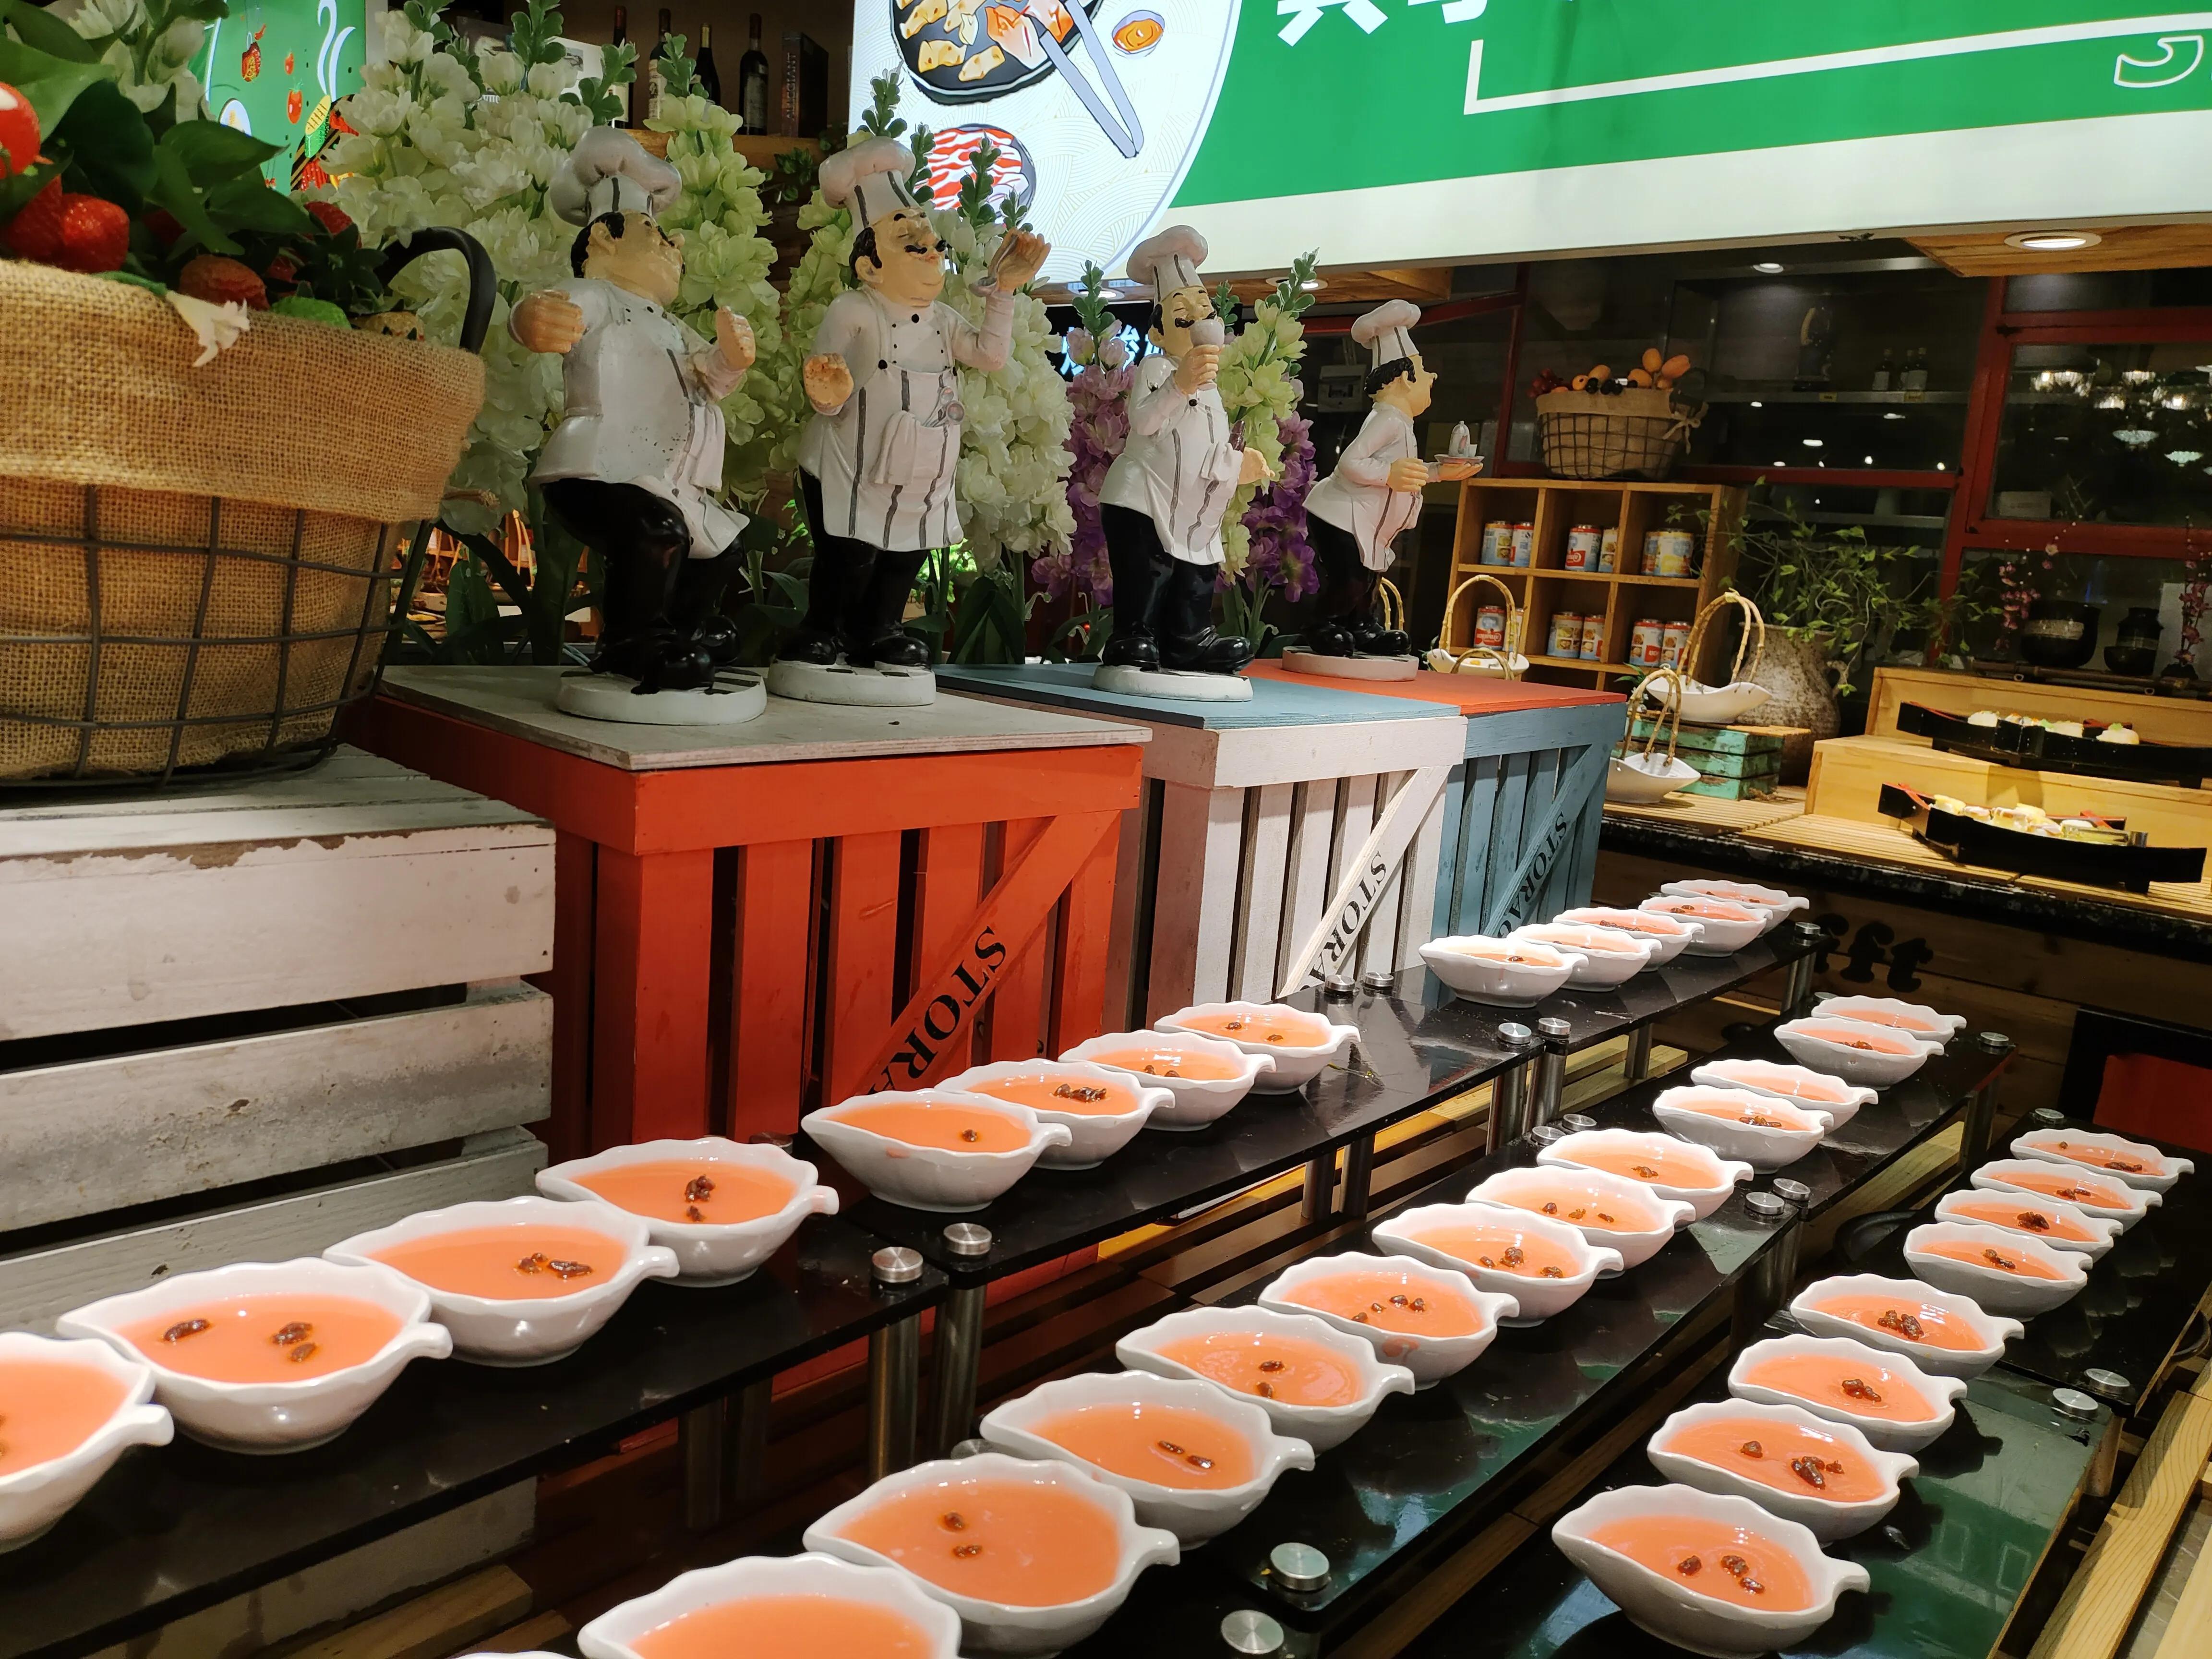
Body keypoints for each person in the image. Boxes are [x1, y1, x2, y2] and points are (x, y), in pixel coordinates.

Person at [510, 127, 757, 692]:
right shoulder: (596, 296)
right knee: (655, 532)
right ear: (603, 240)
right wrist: (531, 319)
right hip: (595, 469)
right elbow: (543, 310)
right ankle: (631, 641)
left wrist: (732, 357)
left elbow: (710, 377)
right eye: (655, 232)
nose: (676, 245)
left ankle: (677, 634)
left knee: (721, 549)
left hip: (666, 476)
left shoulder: (672, 326)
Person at [790, 136, 1048, 675]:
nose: (932, 251)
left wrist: (1004, 292)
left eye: (932, 241)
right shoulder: (853, 310)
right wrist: (827, 391)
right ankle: (822, 630)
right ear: (870, 266)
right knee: (850, 552)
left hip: (920, 470)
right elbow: (823, 375)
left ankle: (879, 631)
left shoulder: (943, 320)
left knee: (907, 552)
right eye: (911, 244)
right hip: (848, 465)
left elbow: (992, 356)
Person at [1098, 226, 1275, 676]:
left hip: (1191, 505)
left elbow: (1203, 448)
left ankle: (1189, 642)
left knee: (1196, 574)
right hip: (1143, 496)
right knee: (1149, 571)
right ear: (1158, 331)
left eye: (1205, 309)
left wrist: (1239, 464)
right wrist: (1179, 385)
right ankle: (1133, 635)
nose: (1198, 319)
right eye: (1182, 314)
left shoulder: (1212, 388)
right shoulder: (1157, 369)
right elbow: (1145, 423)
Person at [1303, 300, 1479, 658]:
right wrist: (1389, 474)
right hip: (1341, 516)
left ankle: (1361, 627)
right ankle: (1325, 625)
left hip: (1368, 523)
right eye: (1423, 369)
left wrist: (1438, 472)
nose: (1431, 377)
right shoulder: (1386, 419)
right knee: (1351, 579)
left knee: (1369, 579)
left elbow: (1402, 472)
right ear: (1402, 380)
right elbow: (1350, 463)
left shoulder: (1401, 423)